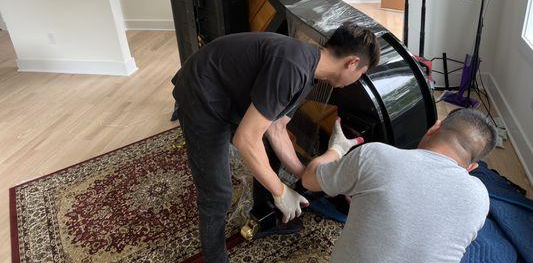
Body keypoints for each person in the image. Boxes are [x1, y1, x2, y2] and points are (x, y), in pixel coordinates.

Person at [171, 23, 380, 263]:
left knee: (266, 148)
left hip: (228, 92)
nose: (357, 80)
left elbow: (277, 129)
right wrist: (280, 190)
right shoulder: (293, 68)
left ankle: (264, 215)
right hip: (201, 93)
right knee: (217, 193)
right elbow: (246, 139)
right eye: (361, 74)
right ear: (352, 63)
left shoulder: (310, 71)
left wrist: (308, 177)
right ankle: (215, 259)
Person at [302, 108, 497, 263]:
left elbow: (308, 179)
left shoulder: (376, 155)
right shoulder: (480, 197)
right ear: (471, 167)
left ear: (433, 128)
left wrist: (336, 149)